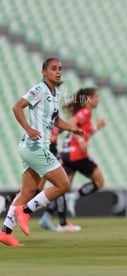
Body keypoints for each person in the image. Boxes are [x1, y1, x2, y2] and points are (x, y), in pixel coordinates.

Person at [0, 58, 84, 247]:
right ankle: (26, 211)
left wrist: (72, 129)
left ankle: (5, 232)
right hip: (34, 146)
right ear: (43, 72)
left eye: (60, 69)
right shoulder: (39, 89)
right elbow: (17, 107)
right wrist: (29, 129)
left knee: (28, 190)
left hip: (35, 147)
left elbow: (56, 121)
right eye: (53, 68)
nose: (58, 72)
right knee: (62, 184)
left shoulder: (56, 93)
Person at [58, 88, 106, 218]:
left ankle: (51, 218)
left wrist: (97, 128)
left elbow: (85, 131)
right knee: (99, 181)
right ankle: (73, 197)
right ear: (89, 99)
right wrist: (80, 140)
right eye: (96, 97)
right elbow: (71, 123)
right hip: (77, 155)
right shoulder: (84, 112)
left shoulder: (87, 115)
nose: (98, 100)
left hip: (68, 154)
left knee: (63, 188)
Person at [38, 126, 82, 232]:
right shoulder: (49, 116)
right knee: (61, 185)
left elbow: (61, 126)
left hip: (49, 151)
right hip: (49, 151)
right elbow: (52, 138)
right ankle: (61, 223)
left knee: (43, 188)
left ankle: (51, 218)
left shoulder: (52, 117)